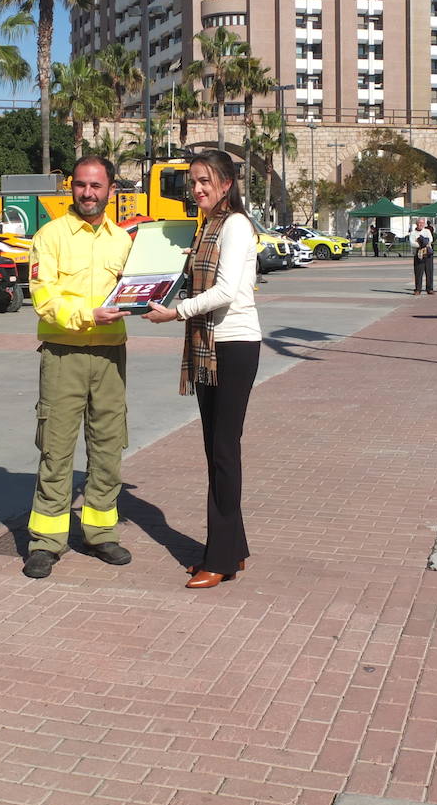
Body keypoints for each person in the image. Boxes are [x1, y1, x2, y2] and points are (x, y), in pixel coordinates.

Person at [143, 151, 259, 589]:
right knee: (217, 449)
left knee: (224, 451)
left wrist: (176, 313)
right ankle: (236, 548)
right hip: (210, 345)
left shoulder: (235, 225)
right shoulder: (207, 226)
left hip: (234, 345)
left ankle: (221, 558)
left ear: (227, 184)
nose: (197, 189)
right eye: (193, 182)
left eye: (205, 181)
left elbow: (227, 290)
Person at [22, 155, 133, 580]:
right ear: (72, 186)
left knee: (108, 446)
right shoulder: (49, 236)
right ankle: (46, 542)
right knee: (56, 448)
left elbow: (134, 288)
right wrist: (89, 314)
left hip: (110, 355)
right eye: (82, 185)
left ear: (109, 191)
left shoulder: (122, 241)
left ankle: (100, 533)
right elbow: (43, 298)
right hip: (63, 353)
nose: (88, 193)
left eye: (97, 186)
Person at [410, 218, 433, 294]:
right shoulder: (413, 233)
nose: (421, 224)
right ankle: (418, 289)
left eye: (422, 223)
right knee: (418, 273)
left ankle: (429, 289)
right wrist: (422, 244)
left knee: (429, 272)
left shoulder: (427, 231)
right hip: (418, 254)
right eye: (419, 223)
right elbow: (412, 243)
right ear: (416, 224)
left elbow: (430, 240)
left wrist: (420, 242)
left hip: (428, 254)